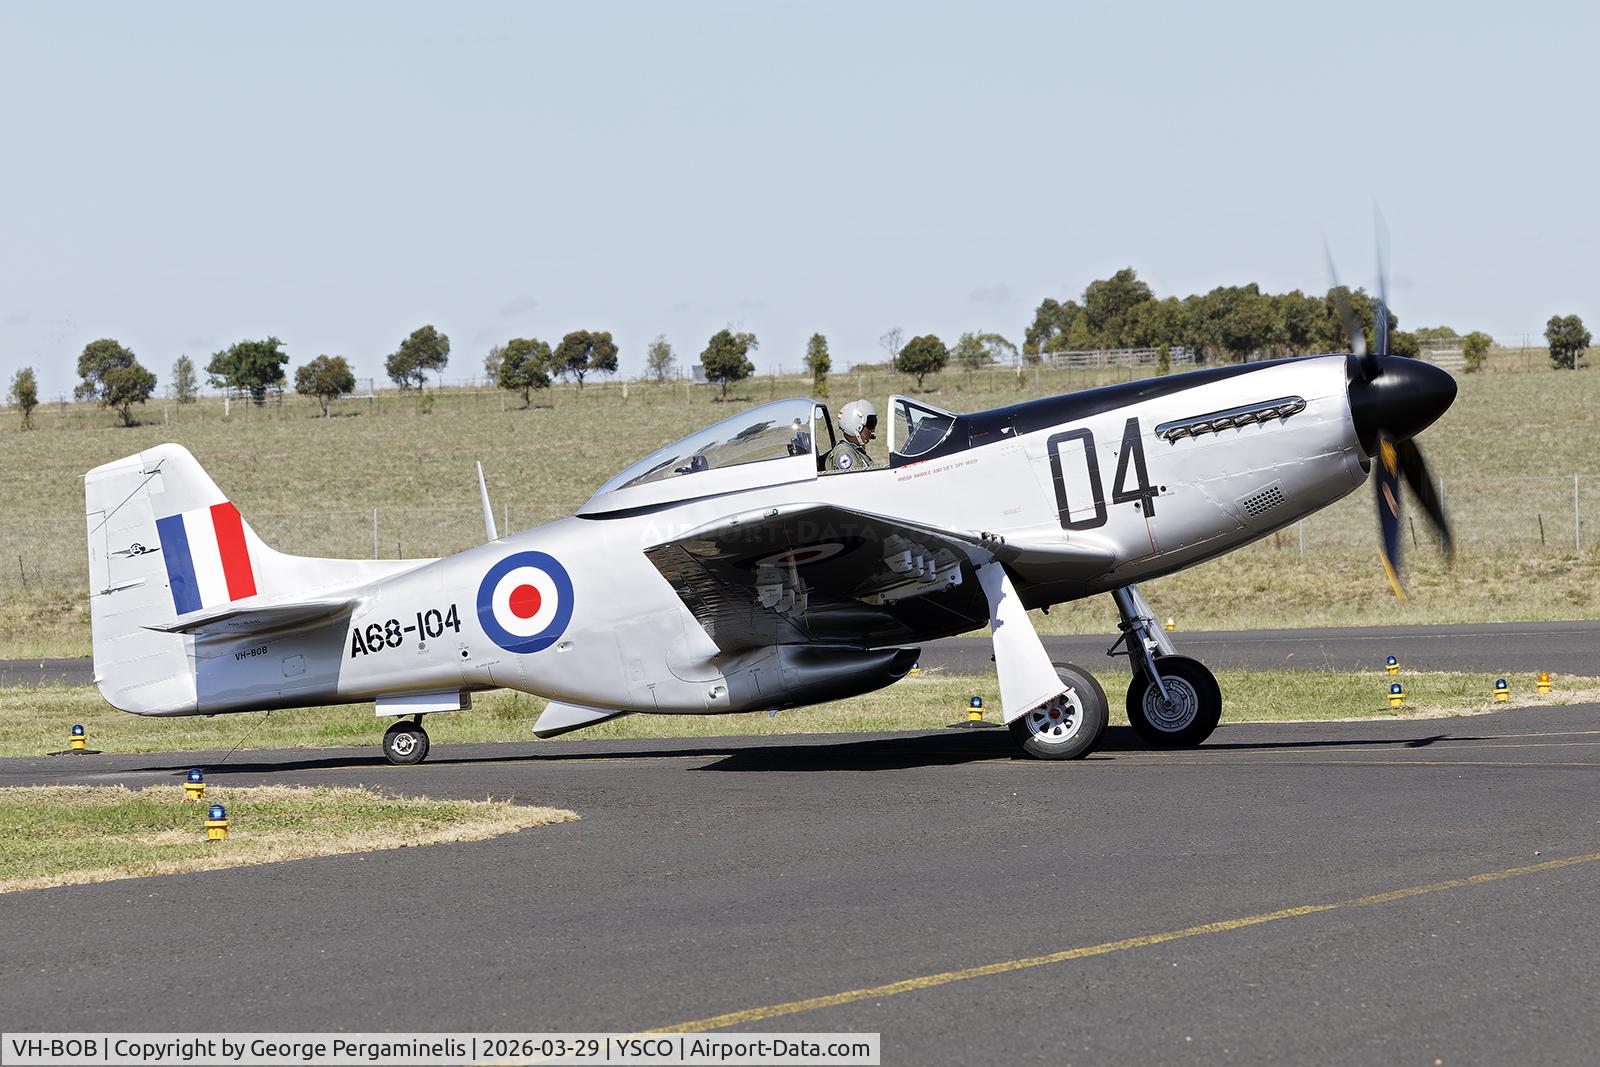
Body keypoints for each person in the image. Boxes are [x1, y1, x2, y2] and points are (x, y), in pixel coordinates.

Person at [822, 399, 877, 472]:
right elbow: (855, 481)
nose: (873, 430)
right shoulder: (844, 452)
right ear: (856, 426)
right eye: (870, 424)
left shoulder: (855, 450)